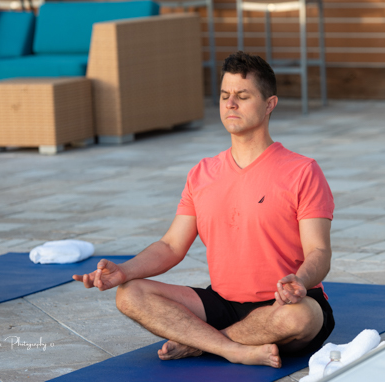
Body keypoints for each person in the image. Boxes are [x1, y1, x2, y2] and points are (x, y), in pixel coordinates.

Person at [73, 51, 335, 368]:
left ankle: (203, 343)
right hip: (221, 302)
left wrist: (301, 281)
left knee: (300, 317)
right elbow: (171, 246)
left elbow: (319, 251)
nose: (230, 104)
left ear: (270, 104)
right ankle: (233, 348)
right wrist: (124, 271)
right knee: (130, 294)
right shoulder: (203, 173)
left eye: (242, 96)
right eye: (225, 96)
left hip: (284, 302)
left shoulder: (302, 171)